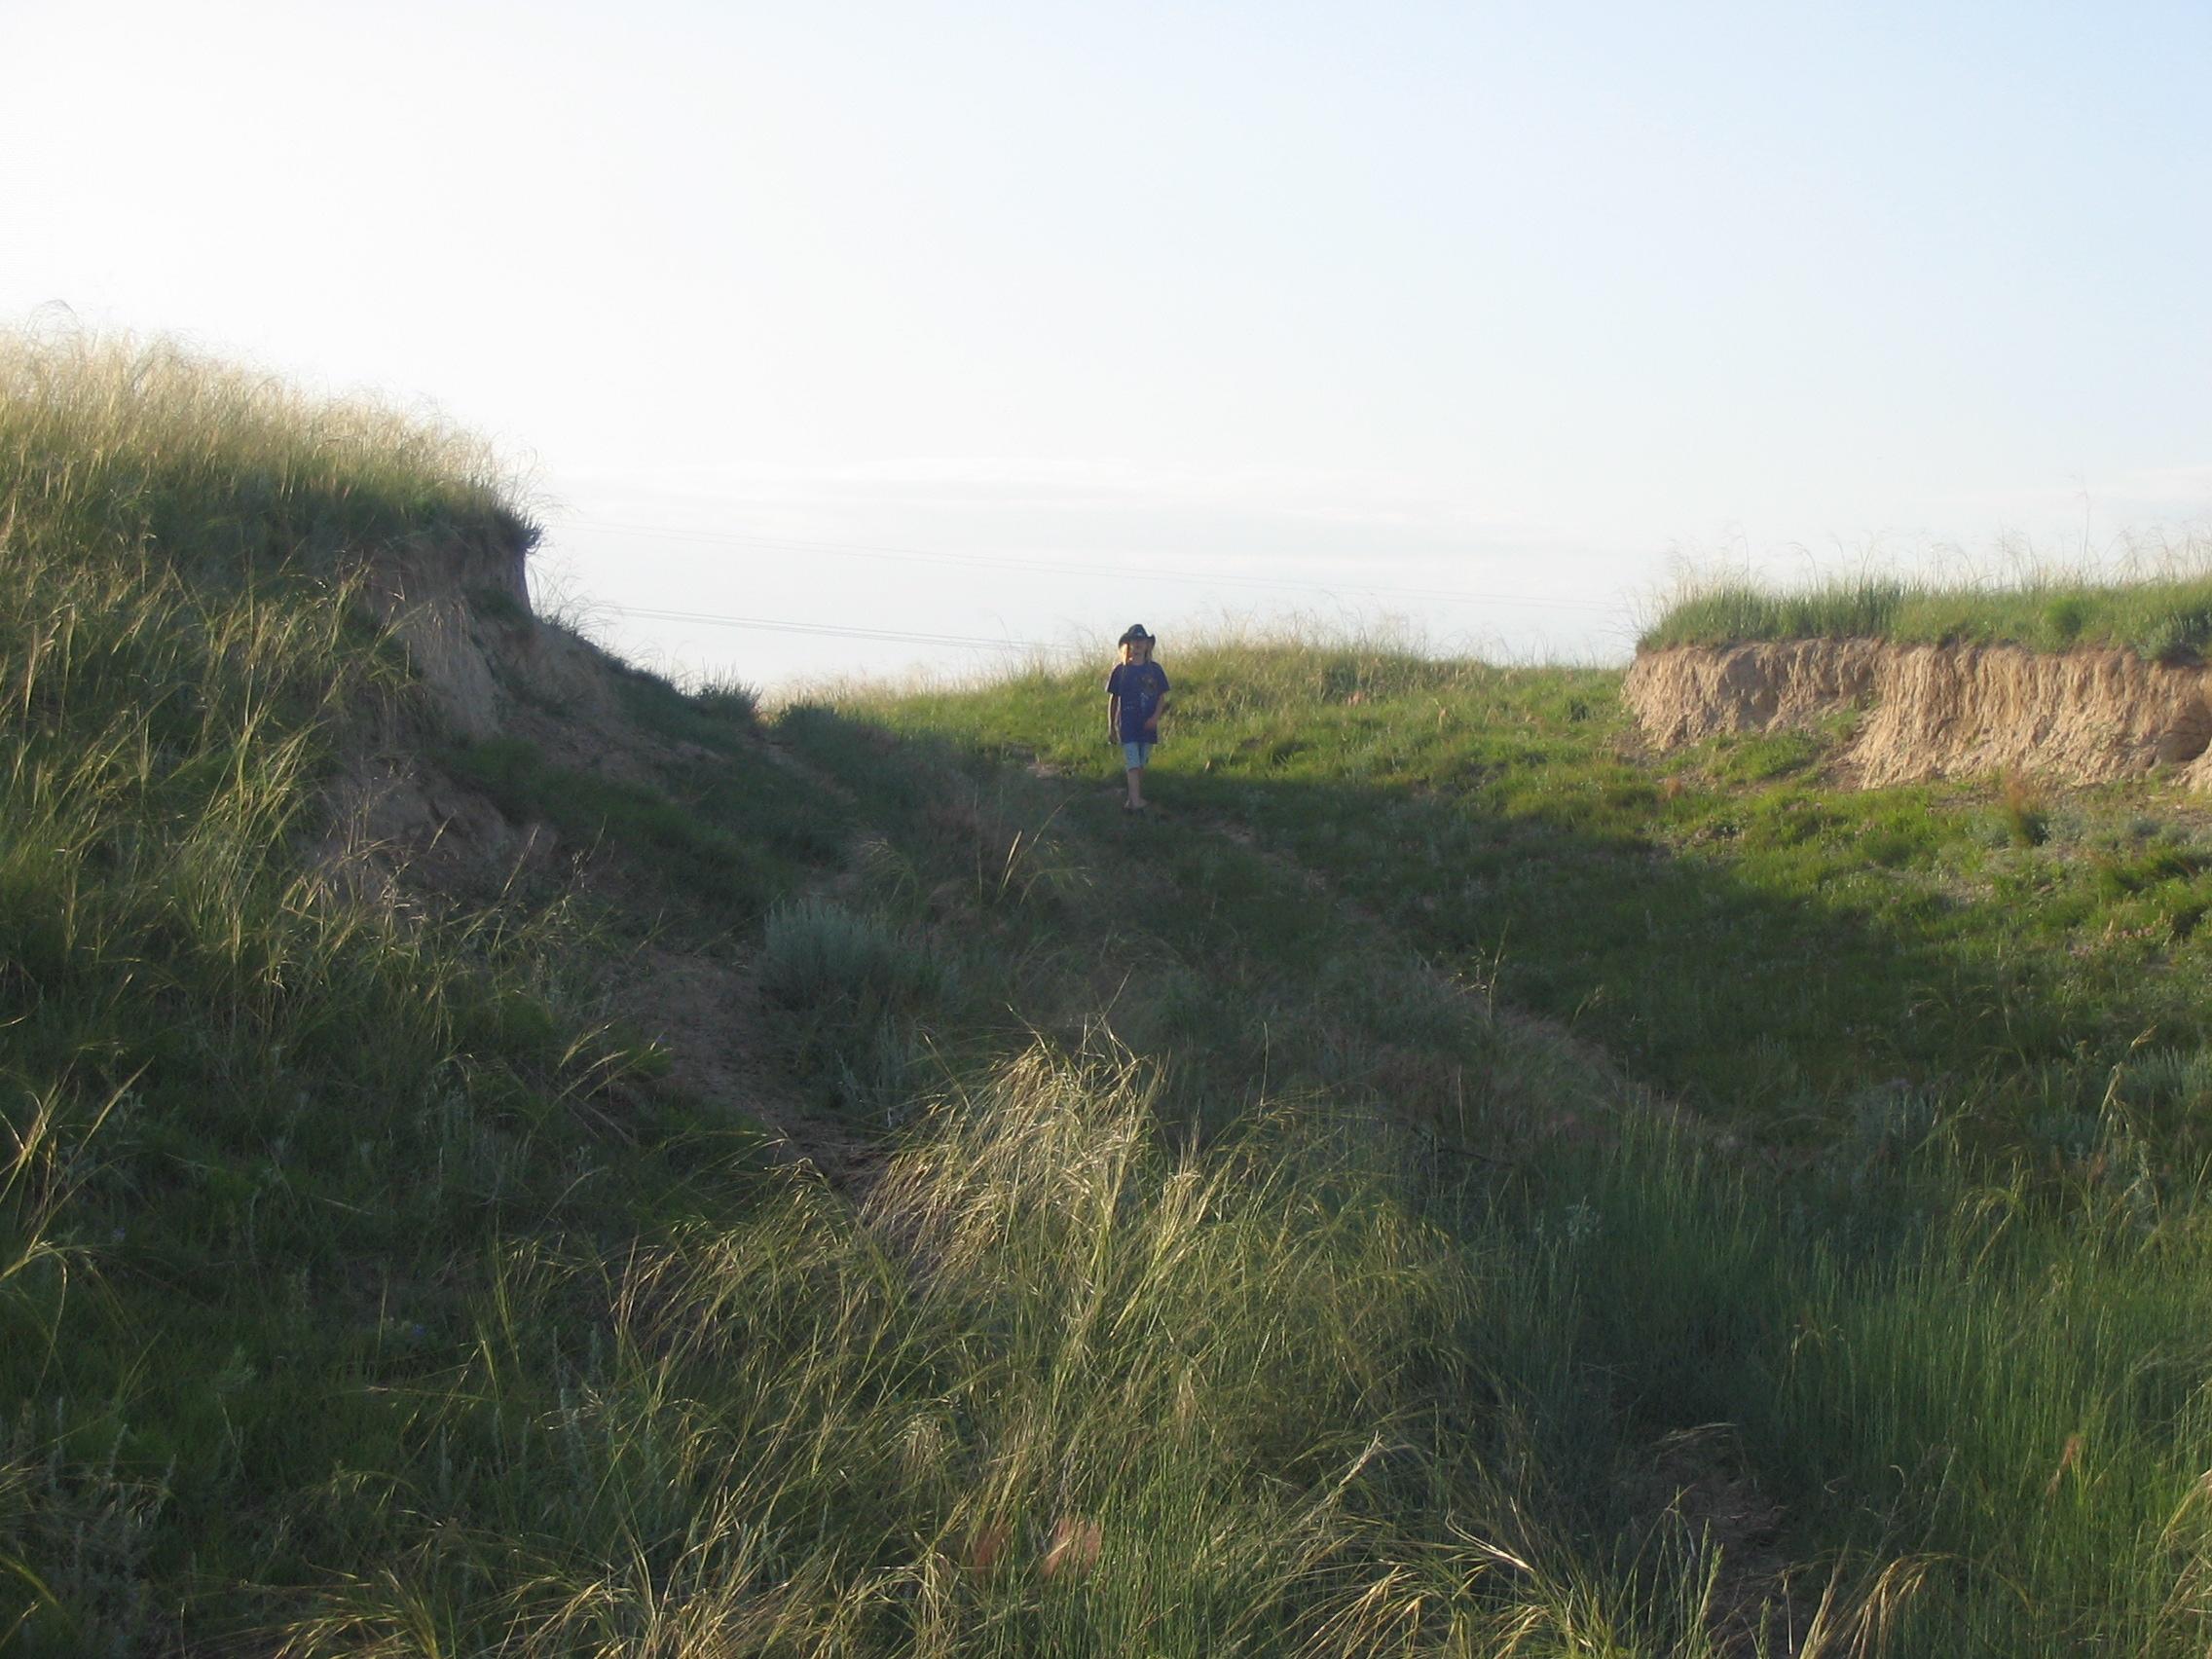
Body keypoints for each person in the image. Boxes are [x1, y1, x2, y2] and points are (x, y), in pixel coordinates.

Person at [1105, 623, 1169, 812]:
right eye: (1135, 640)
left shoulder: (1155, 670)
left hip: (1147, 725)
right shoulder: (1121, 671)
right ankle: (1136, 802)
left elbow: (1161, 698)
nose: (1138, 644)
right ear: (1128, 644)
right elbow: (1114, 699)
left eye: (1142, 641)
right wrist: (1111, 727)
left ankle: (1132, 799)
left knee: (1141, 763)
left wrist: (1155, 718)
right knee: (1133, 762)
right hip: (1128, 724)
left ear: (1148, 645)